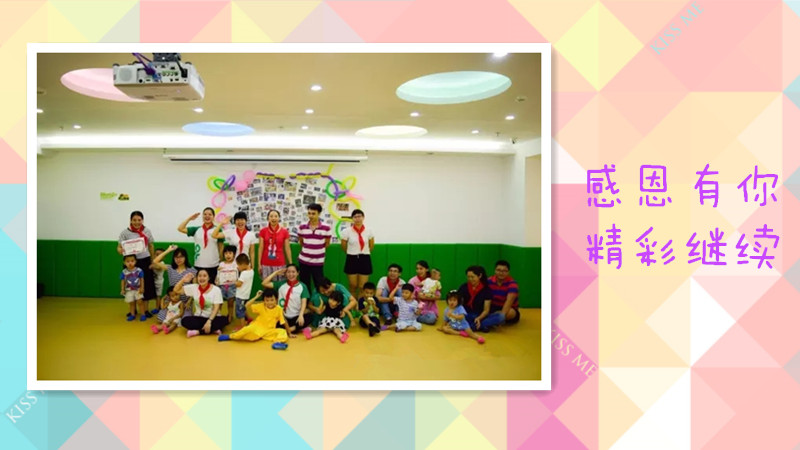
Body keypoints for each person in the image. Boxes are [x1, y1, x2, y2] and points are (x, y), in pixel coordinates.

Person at [117, 211, 158, 317]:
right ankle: (133, 310)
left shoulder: (147, 231)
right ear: (130, 220)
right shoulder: (125, 233)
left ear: (142, 220)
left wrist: (152, 261)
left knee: (146, 285)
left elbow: (151, 246)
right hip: (130, 263)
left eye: (139, 220)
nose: (137, 222)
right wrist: (120, 250)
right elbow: (119, 247)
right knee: (131, 286)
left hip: (145, 260)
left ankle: (146, 310)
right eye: (134, 220)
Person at [218, 288, 294, 345]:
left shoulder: (279, 309)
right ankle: (230, 336)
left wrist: (289, 333)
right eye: (267, 300)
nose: (269, 302)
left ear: (276, 300)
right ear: (264, 301)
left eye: (272, 300)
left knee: (282, 331)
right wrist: (256, 296)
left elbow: (284, 322)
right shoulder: (261, 306)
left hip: (269, 331)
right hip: (256, 327)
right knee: (248, 330)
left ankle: (278, 343)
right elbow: (247, 305)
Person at [172, 270, 228, 337]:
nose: (202, 278)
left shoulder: (216, 290)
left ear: (209, 278)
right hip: (199, 317)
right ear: (197, 278)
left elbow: (216, 308)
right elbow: (176, 290)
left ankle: (198, 331)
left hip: (213, 318)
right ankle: (213, 329)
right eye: (199, 276)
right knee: (184, 321)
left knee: (224, 320)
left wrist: (209, 321)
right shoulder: (194, 287)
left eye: (204, 276)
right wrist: (183, 280)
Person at [178, 208, 223, 283]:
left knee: (212, 287)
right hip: (199, 264)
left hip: (213, 264)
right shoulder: (196, 229)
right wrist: (189, 219)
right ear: (202, 216)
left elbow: (221, 246)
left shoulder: (217, 230)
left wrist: (220, 261)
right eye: (205, 214)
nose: (207, 216)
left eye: (210, 214)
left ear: (213, 217)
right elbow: (180, 228)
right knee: (198, 287)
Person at [261, 265, 311, 334]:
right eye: (288, 272)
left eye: (293, 272)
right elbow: (264, 283)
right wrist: (276, 273)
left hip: (296, 317)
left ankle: (290, 329)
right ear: (285, 273)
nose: (291, 274)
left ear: (297, 273)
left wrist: (301, 315)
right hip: (283, 317)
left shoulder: (302, 286)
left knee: (310, 316)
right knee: (272, 319)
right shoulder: (281, 284)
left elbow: (304, 302)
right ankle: (296, 328)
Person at [151, 244, 197, 317]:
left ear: (185, 257)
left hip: (185, 302)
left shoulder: (192, 270)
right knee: (160, 318)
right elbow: (155, 261)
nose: (178, 259)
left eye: (181, 257)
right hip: (172, 301)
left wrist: (190, 301)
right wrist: (168, 250)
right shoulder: (170, 268)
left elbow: (195, 288)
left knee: (185, 320)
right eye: (176, 257)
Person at [340, 209, 375, 299]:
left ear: (363, 217)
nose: (357, 219)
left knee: (362, 286)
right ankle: (353, 304)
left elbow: (371, 245)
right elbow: (343, 245)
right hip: (352, 258)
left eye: (359, 216)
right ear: (352, 219)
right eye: (355, 217)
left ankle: (360, 305)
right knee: (353, 285)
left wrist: (364, 253)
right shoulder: (347, 231)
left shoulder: (369, 230)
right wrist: (351, 252)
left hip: (365, 258)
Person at [297, 203, 331, 293]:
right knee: (304, 284)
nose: (311, 216)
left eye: (313, 213)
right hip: (304, 261)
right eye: (309, 213)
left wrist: (317, 251)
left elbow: (327, 244)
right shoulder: (302, 226)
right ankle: (306, 300)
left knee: (319, 284)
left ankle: (318, 300)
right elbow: (301, 242)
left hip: (318, 262)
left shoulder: (326, 227)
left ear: (319, 214)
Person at [456, 265, 495, 332]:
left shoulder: (486, 290)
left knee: (500, 317)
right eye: (468, 277)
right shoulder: (464, 287)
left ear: (480, 276)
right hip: (467, 313)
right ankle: (481, 326)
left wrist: (479, 318)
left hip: (479, 314)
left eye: (472, 277)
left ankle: (476, 325)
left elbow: (486, 310)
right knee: (465, 317)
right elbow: (458, 304)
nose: (470, 279)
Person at [257, 209, 292, 282]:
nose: (273, 218)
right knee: (266, 285)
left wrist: (290, 264)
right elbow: (260, 248)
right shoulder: (263, 231)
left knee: (279, 285)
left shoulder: (284, 232)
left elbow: (287, 248)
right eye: (271, 216)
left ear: (279, 218)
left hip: (280, 263)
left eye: (276, 216)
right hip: (265, 263)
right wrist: (259, 264)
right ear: (268, 218)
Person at [486, 260, 521, 327]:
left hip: (508, 308)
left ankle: (489, 320)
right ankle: (491, 320)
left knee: (511, 313)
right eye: (499, 270)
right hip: (492, 307)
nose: (501, 273)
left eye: (504, 271)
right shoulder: (488, 281)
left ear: (508, 272)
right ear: (495, 271)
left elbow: (509, 302)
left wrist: (501, 316)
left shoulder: (512, 284)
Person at [408, 260, 439, 325]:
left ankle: (415, 318)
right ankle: (415, 317)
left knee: (432, 319)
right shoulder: (412, 281)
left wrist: (424, 297)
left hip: (429, 308)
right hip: (416, 307)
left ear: (427, 269)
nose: (419, 271)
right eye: (417, 269)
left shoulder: (432, 280)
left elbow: (437, 296)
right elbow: (408, 297)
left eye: (421, 268)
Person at [216, 245, 239, 323]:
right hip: (222, 286)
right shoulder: (221, 264)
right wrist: (217, 278)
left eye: (230, 253)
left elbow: (238, 274)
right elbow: (218, 275)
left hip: (232, 286)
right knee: (219, 302)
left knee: (230, 302)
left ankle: (230, 316)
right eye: (226, 253)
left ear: (234, 254)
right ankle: (218, 314)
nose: (228, 255)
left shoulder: (236, 264)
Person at [233, 253, 255, 330]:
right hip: (246, 295)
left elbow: (239, 284)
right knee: (244, 308)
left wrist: (234, 282)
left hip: (241, 296)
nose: (237, 267)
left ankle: (242, 327)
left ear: (243, 264)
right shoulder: (251, 271)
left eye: (238, 265)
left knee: (240, 311)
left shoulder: (244, 273)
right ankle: (249, 319)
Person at [120, 254, 144, 321]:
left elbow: (142, 279)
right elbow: (122, 281)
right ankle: (132, 315)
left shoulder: (139, 270)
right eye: (127, 261)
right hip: (129, 290)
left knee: (140, 302)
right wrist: (122, 289)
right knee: (131, 303)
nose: (130, 263)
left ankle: (143, 314)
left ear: (135, 261)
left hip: (138, 289)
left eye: (132, 261)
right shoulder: (124, 272)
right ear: (124, 262)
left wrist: (142, 288)